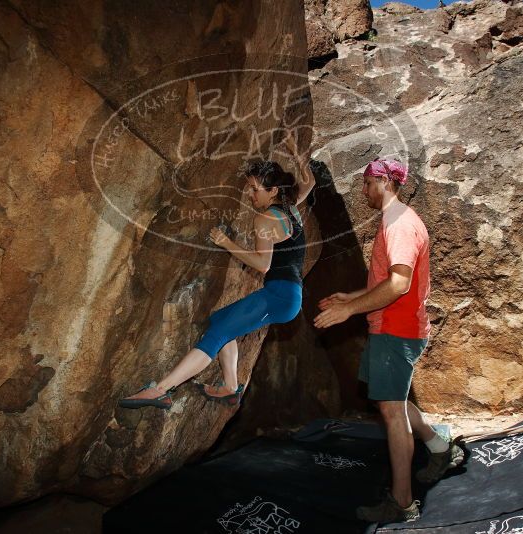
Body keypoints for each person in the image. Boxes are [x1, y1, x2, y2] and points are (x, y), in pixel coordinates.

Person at [314, 158, 462, 524]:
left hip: (397, 330)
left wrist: (348, 312)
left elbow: (399, 285)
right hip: (389, 327)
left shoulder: (399, 225)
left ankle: (403, 502)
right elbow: (385, 281)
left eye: (366, 183)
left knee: (393, 413)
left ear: (383, 182)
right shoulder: (395, 221)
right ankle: (440, 450)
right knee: (389, 399)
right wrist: (351, 298)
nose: (363, 191)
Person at [119, 134, 315, 410]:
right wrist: (296, 149)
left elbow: (262, 265)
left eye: (255, 188)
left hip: (280, 295)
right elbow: (309, 182)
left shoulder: (266, 219)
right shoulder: (291, 210)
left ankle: (161, 390)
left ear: (272, 191)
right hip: (284, 294)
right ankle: (230, 387)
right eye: (249, 187)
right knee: (221, 320)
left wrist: (226, 243)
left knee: (219, 333)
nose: (250, 194)